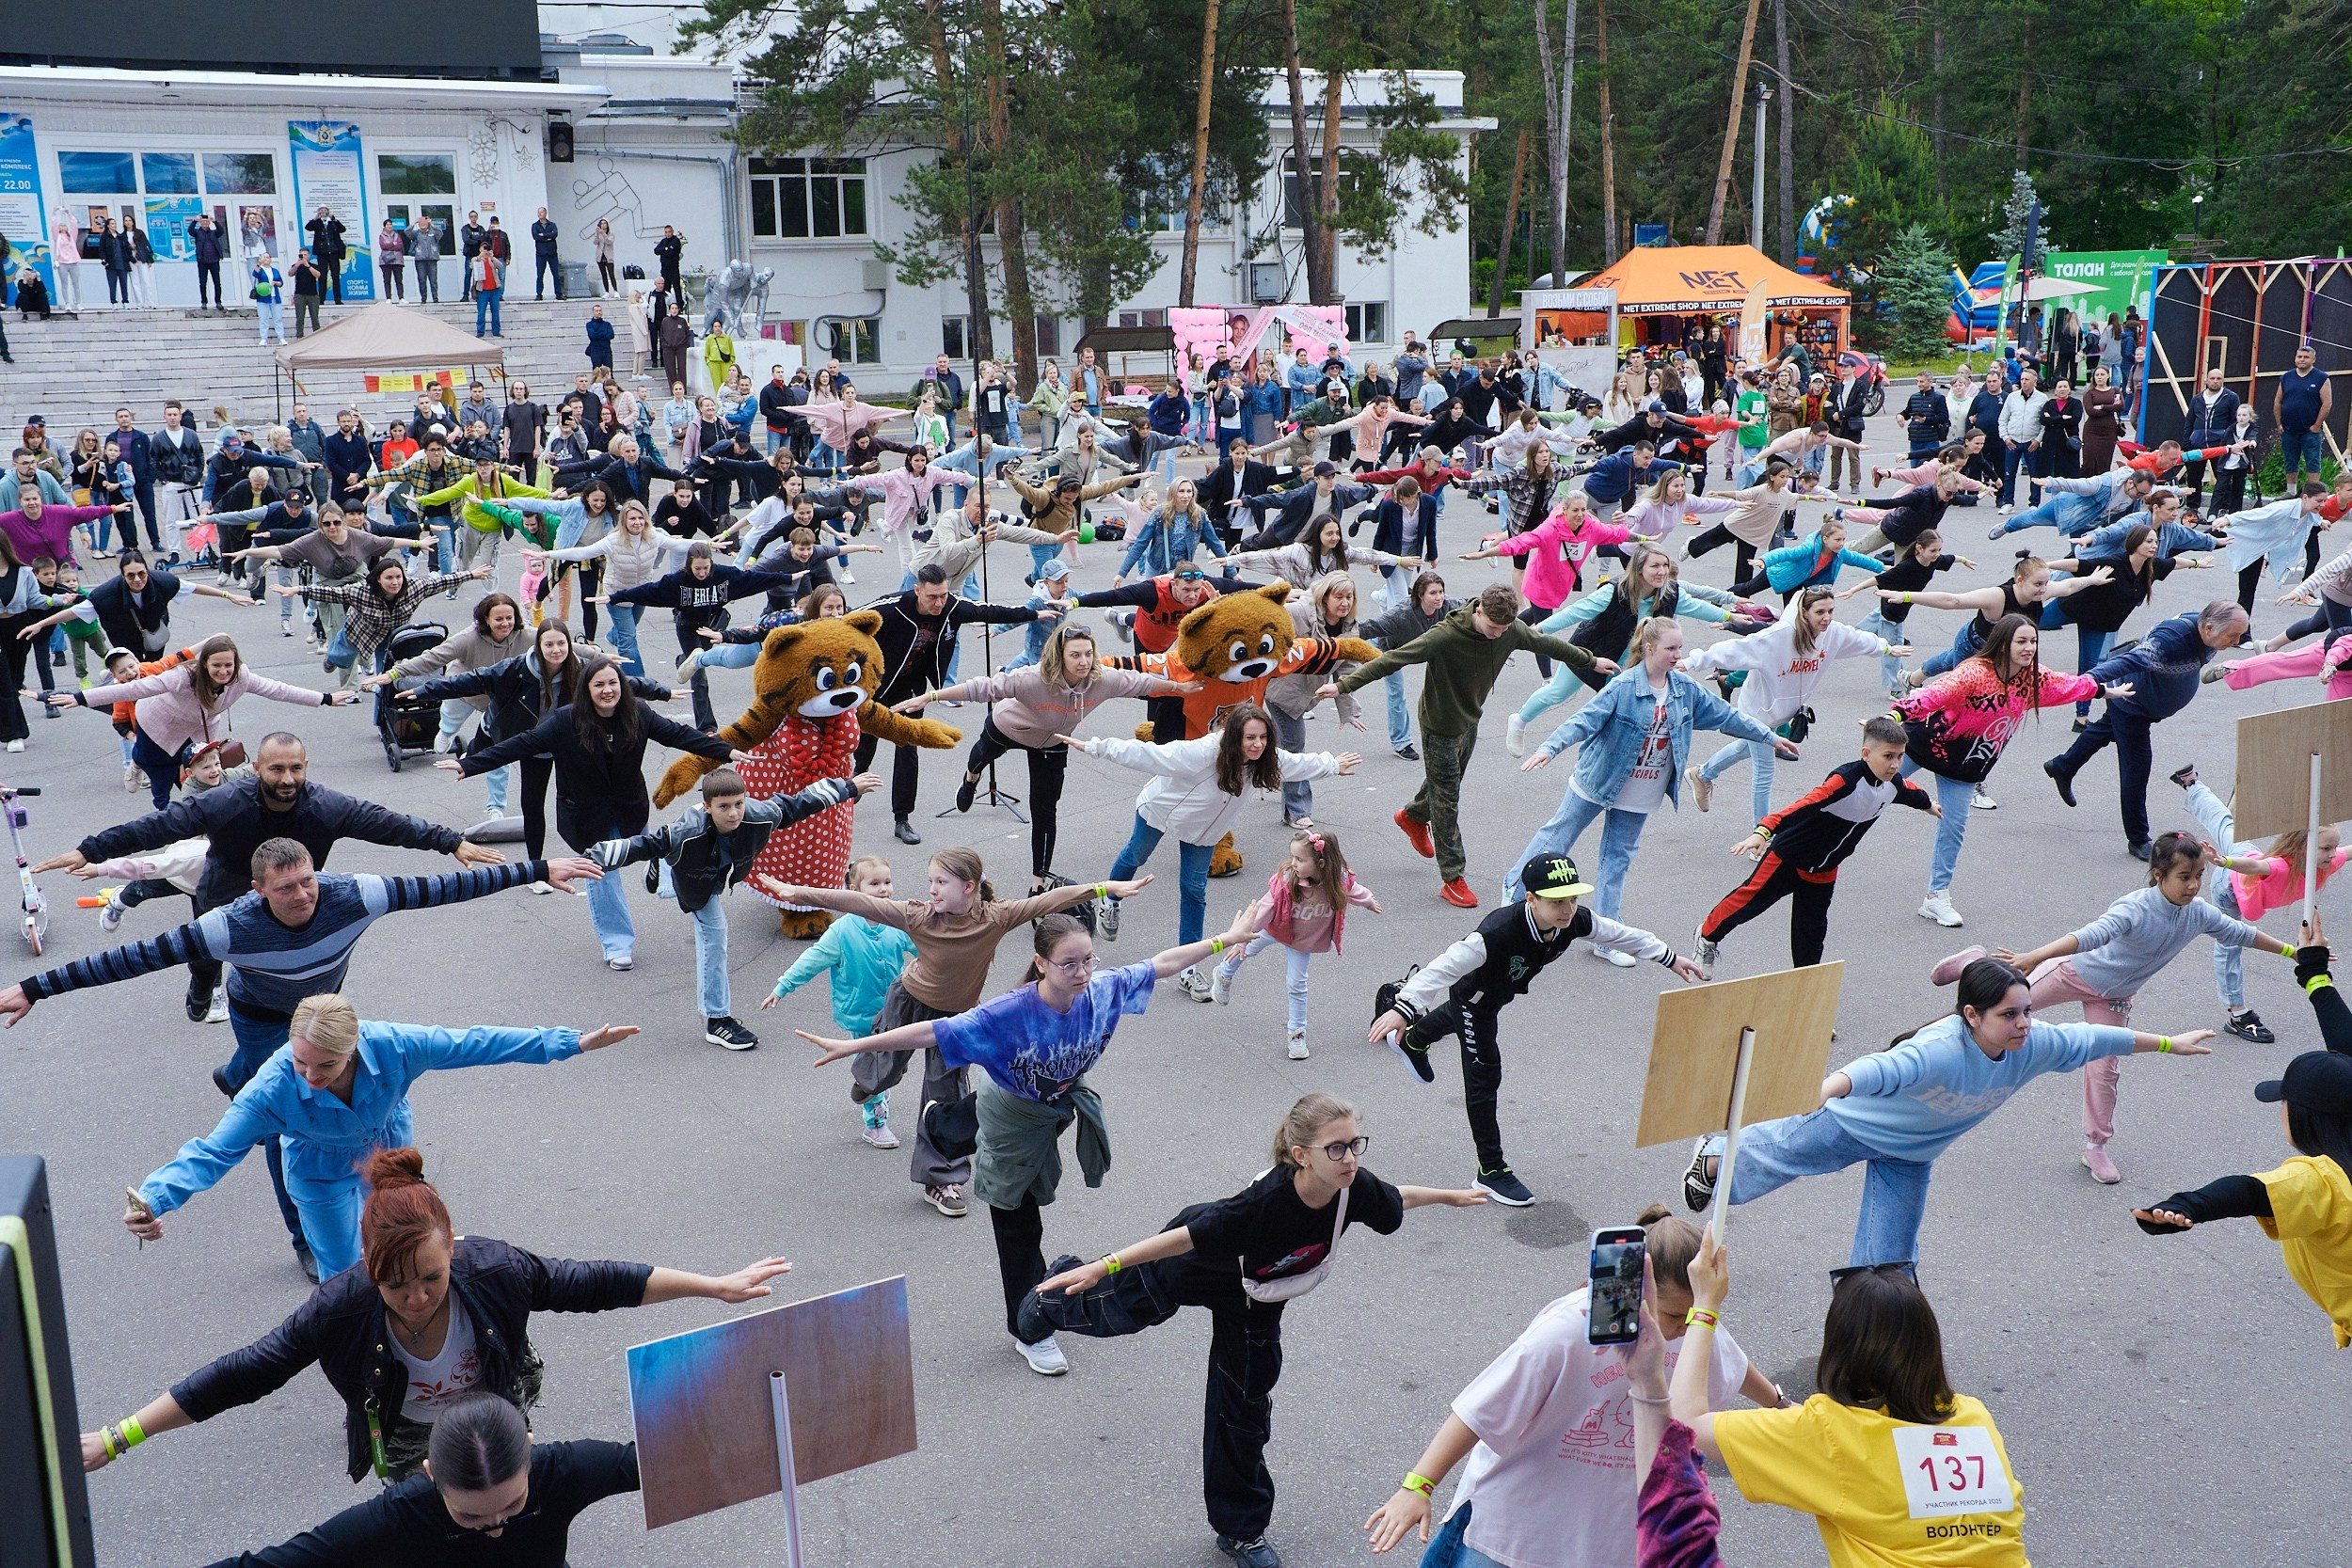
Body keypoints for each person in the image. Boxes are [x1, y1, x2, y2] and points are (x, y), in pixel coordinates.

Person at [87, 1149, 787, 1487]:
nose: (417, 1297)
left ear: (453, 1247)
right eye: (394, 1285)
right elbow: (245, 1372)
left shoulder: (495, 1268)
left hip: (493, 1405)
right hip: (404, 1434)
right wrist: (119, 1437)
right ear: (366, 1267)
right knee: (435, 1526)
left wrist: (715, 1287)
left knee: (512, 1511)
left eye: (430, 1276)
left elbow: (594, 1282)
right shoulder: (340, 1307)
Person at [1008, 1094, 1484, 1568]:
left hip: (1256, 1305)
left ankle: (1241, 1531)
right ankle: (1047, 1302)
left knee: (1243, 1410)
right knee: (1111, 1314)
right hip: (1194, 1268)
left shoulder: (1351, 1186)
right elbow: (1185, 1237)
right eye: (1336, 1148)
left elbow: (1397, 1197)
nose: (1351, 1158)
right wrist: (1103, 1265)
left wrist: (1448, 1196)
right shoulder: (1261, 1205)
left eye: (1356, 1144)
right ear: (1301, 1155)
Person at [1682, 956, 2212, 1265]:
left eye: (2027, 1011)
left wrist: (2169, 1043)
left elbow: (2097, 1036)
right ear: (1972, 1015)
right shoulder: (1939, 1049)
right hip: (1856, 1124)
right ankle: (1715, 1153)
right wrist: (1825, 1088)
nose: (2024, 1024)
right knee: (1777, 1157)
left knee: (1889, 1262)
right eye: (2009, 1014)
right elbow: (1877, 1068)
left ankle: (1873, 1347)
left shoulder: (2033, 1043)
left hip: (1913, 1155)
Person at [1363, 1205, 1784, 1566]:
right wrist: (1417, 1487)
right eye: (1675, 1315)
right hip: (1514, 1537)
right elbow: (1480, 1410)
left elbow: (1734, 1363)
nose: (1686, 1327)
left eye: (1696, 1314)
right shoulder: (1567, 1331)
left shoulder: (1699, 1330)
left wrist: (1778, 1404)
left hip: (1609, 1542)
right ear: (1641, 1292)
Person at [108, 990, 633, 1278]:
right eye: (301, 1062)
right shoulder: (270, 1088)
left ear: (354, 1048)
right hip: (317, 1170)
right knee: (343, 1271)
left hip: (388, 1153)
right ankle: (358, 1358)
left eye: (326, 1065)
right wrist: (154, 1198)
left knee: (406, 1243)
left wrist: (570, 1043)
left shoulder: (397, 1045)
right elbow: (213, 1151)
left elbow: (476, 1043)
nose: (310, 1077)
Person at [761, 850, 1140, 1218]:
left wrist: (1104, 888)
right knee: (882, 1070)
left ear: (968, 887)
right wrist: (799, 894)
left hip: (958, 1018)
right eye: (931, 881)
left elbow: (1050, 900)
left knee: (945, 1096)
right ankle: (868, 1079)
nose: (932, 889)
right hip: (908, 1002)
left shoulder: (996, 917)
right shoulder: (920, 915)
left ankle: (942, 1180)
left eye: (940, 882)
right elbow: (860, 902)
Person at [1668, 1232, 2032, 1564]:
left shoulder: (1831, 1431)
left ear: (1840, 1353)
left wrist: (1704, 1306)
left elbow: (1684, 1425)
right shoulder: (1974, 1418)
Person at [1947, 832, 2288, 1184]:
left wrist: (2294, 953)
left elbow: (2242, 933)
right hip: (2073, 973)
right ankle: (1969, 972)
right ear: (2159, 875)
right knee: (1994, 1006)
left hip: (2114, 998)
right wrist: (2037, 955)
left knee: (2104, 1070)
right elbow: (2091, 935)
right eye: (2184, 877)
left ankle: (2095, 1147)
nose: (2193, 886)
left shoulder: (2198, 913)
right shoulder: (2135, 908)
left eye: (2199, 876)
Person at [1371, 852, 1702, 1206]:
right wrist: (1404, 1007)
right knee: (1485, 1075)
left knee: (1465, 1016)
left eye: (1572, 898)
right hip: (1474, 999)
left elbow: (1618, 934)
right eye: (1557, 901)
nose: (1567, 909)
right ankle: (1491, 1170)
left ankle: (1414, 1042)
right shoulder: (1496, 933)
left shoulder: (1573, 921)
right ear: (1531, 899)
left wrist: (1668, 957)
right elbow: (1444, 967)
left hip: (1497, 994)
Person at [444, 657, 737, 969]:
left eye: (612, 683)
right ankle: (617, 944)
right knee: (601, 875)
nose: (607, 690)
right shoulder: (564, 721)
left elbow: (679, 735)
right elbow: (521, 744)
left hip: (629, 807)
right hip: (585, 815)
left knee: (656, 846)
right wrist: (469, 764)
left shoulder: (638, 713)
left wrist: (727, 750)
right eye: (599, 685)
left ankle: (654, 868)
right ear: (586, 689)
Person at [1329, 583, 1609, 908]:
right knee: (1447, 800)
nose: (1498, 634)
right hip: (1439, 725)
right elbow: (1392, 660)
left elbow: (1548, 644)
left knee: (1445, 784)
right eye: (1493, 627)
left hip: (1469, 719)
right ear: (1479, 611)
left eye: (1504, 629)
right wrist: (1343, 685)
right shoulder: (1444, 636)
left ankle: (1413, 816)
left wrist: (1591, 661)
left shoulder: (1510, 630)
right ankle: (1453, 878)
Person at [2136, 925, 2352, 1344]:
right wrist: (2314, 973)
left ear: (2306, 1117)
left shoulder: (2326, 1183)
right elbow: (2346, 1046)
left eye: (2283, 1101)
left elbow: (2250, 1191)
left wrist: (2187, 1206)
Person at [1517, 617, 1798, 928]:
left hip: (1641, 792)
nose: (1678, 655)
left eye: (1680, 648)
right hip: (1599, 780)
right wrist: (1549, 748)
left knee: (1617, 860)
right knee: (1557, 838)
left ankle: (1606, 932)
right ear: (1649, 648)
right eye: (1671, 648)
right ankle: (1515, 898)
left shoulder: (1685, 689)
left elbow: (1728, 716)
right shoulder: (1624, 686)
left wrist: (1769, 737)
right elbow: (1583, 720)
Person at [1071, 704, 1358, 998]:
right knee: (1136, 854)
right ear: (1234, 738)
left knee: (1194, 891)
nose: (1258, 744)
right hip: (1163, 810)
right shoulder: (1205, 752)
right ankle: (1111, 900)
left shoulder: (1265, 758)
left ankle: (1187, 969)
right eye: (1250, 738)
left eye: (1263, 737)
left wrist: (1332, 765)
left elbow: (1297, 763)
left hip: (1204, 830)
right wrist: (1095, 747)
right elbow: (1150, 754)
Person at [589, 766, 876, 1051]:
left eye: (739, 804)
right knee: (714, 936)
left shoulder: (760, 813)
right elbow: (641, 845)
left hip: (714, 863)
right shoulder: (684, 832)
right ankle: (717, 1021)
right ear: (707, 807)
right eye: (724, 807)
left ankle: (663, 864)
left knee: (670, 853)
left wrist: (848, 788)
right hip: (696, 877)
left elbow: (798, 803)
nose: (734, 813)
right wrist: (586, 861)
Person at [894, 623, 1192, 892]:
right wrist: (931, 696)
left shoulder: (1103, 679)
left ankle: (1039, 878)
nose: (1084, 661)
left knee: (1045, 809)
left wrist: (1178, 687)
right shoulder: (1032, 678)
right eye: (1075, 655)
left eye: (1088, 654)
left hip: (1053, 742)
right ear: (1059, 656)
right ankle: (971, 779)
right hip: (1010, 727)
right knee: (982, 754)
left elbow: (1142, 682)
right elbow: (982, 687)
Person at [1892, 615, 2127, 926]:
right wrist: (1893, 717)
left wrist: (2102, 691)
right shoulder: (1976, 672)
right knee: (1868, 791)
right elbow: (1934, 694)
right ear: (2004, 644)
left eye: (2033, 641)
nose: (2029, 647)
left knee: (1953, 827)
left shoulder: (2033, 679)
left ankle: (1936, 897)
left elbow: (2067, 684)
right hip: (1923, 743)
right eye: (2021, 641)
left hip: (1964, 765)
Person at [1695, 716, 1939, 976]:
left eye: (1900, 756)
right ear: (1866, 754)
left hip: (1824, 869)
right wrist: (1763, 831)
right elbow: (1802, 806)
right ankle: (1707, 936)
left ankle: (1806, 980)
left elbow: (1912, 792)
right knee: (1748, 903)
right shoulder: (1845, 780)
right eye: (1888, 756)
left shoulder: (1893, 784)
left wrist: (1928, 805)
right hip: (1789, 857)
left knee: (1812, 930)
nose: (1895, 764)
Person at [56, 633, 358, 808]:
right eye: (217, 666)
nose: (223, 671)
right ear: (204, 664)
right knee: (161, 776)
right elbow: (136, 689)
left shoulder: (241, 677)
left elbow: (278, 690)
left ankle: (202, 824)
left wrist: (325, 698)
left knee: (207, 777)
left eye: (229, 665)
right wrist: (82, 697)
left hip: (199, 730)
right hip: (159, 724)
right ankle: (153, 794)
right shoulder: (183, 677)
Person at [2043, 599, 2247, 858]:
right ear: (2208, 628)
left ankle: (2062, 766)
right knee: (2137, 769)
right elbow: (2129, 660)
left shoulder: (2209, 626)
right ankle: (2138, 839)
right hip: (2131, 705)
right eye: (2233, 635)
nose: (2237, 641)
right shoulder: (2169, 641)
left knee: (2104, 729)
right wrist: (2085, 681)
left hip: (2144, 706)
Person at [1681, 588, 1899, 826]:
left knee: (1746, 747)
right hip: (1757, 711)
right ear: (1804, 612)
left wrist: (1886, 648)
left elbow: (1857, 638)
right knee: (1765, 771)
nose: (1826, 617)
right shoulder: (1779, 635)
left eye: (1830, 611)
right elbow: (1735, 649)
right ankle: (1761, 832)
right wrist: (1692, 661)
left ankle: (1702, 774)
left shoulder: (1832, 633)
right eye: (1820, 612)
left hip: (1782, 712)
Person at [764, 855, 917, 1147]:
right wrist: (783, 986)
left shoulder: (897, 922)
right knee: (873, 1067)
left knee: (891, 1061)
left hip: (895, 1012)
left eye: (887, 882)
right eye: (874, 883)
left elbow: (927, 950)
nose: (883, 889)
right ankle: (875, 1123)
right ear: (854, 891)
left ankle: (878, 1083)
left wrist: (950, 976)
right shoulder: (841, 932)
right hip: (861, 1015)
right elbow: (812, 960)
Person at [1207, 828, 1380, 1059]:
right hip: (1277, 926)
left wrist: (1369, 902)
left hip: (1301, 941)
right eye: (1293, 857)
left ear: (1321, 863)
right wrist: (1242, 937)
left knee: (1297, 984)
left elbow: (1355, 891)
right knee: (1246, 949)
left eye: (1300, 859)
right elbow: (1265, 908)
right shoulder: (1287, 881)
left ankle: (1296, 1034)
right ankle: (1224, 973)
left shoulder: (1338, 880)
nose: (1293, 864)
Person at [529, 206, 562, 299]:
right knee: (540, 275)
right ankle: (539, 294)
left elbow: (554, 234)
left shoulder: (552, 224)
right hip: (541, 254)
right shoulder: (535, 225)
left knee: (556, 274)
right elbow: (536, 237)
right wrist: (548, 238)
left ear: (545, 213)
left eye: (541, 212)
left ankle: (558, 294)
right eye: (538, 212)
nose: (539, 214)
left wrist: (543, 234)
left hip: (552, 253)